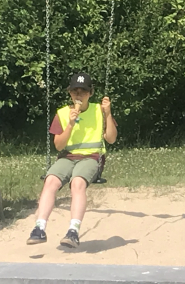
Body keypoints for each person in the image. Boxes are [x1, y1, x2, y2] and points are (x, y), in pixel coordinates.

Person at [26, 72, 117, 248]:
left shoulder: (100, 110)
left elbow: (111, 139)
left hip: (92, 157)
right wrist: (70, 124)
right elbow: (59, 146)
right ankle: (39, 228)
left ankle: (73, 231)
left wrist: (108, 114)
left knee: (77, 183)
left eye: (83, 91)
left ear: (90, 93)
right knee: (50, 181)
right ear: (69, 93)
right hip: (67, 157)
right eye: (75, 91)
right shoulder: (62, 113)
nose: (78, 95)